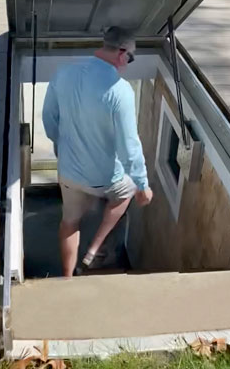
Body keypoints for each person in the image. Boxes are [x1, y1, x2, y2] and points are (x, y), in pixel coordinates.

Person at [42, 26, 153, 278]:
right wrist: (142, 184)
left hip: (69, 173)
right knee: (126, 193)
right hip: (105, 178)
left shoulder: (63, 74)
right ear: (122, 54)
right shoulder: (120, 90)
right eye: (131, 57)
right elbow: (129, 145)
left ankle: (67, 277)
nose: (128, 63)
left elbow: (49, 118)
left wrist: (62, 145)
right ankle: (93, 250)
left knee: (69, 222)